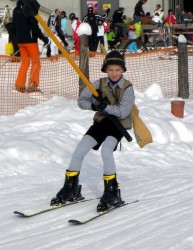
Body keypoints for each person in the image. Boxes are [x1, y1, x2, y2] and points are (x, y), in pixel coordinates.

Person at [50, 50, 135, 212]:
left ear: (123, 70)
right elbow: (81, 101)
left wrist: (107, 107)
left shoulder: (127, 88)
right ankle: (70, 188)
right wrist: (95, 106)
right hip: (102, 122)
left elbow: (123, 111)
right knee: (79, 150)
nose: (114, 73)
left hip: (118, 125)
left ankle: (111, 191)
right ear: (105, 70)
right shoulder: (98, 84)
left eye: (117, 69)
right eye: (110, 70)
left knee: (107, 150)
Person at [12, 0, 49, 93]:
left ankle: (19, 85)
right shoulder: (28, 9)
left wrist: (16, 39)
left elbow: (14, 26)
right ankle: (33, 84)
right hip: (30, 41)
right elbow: (34, 27)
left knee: (25, 63)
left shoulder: (16, 10)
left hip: (20, 41)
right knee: (36, 62)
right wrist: (43, 38)